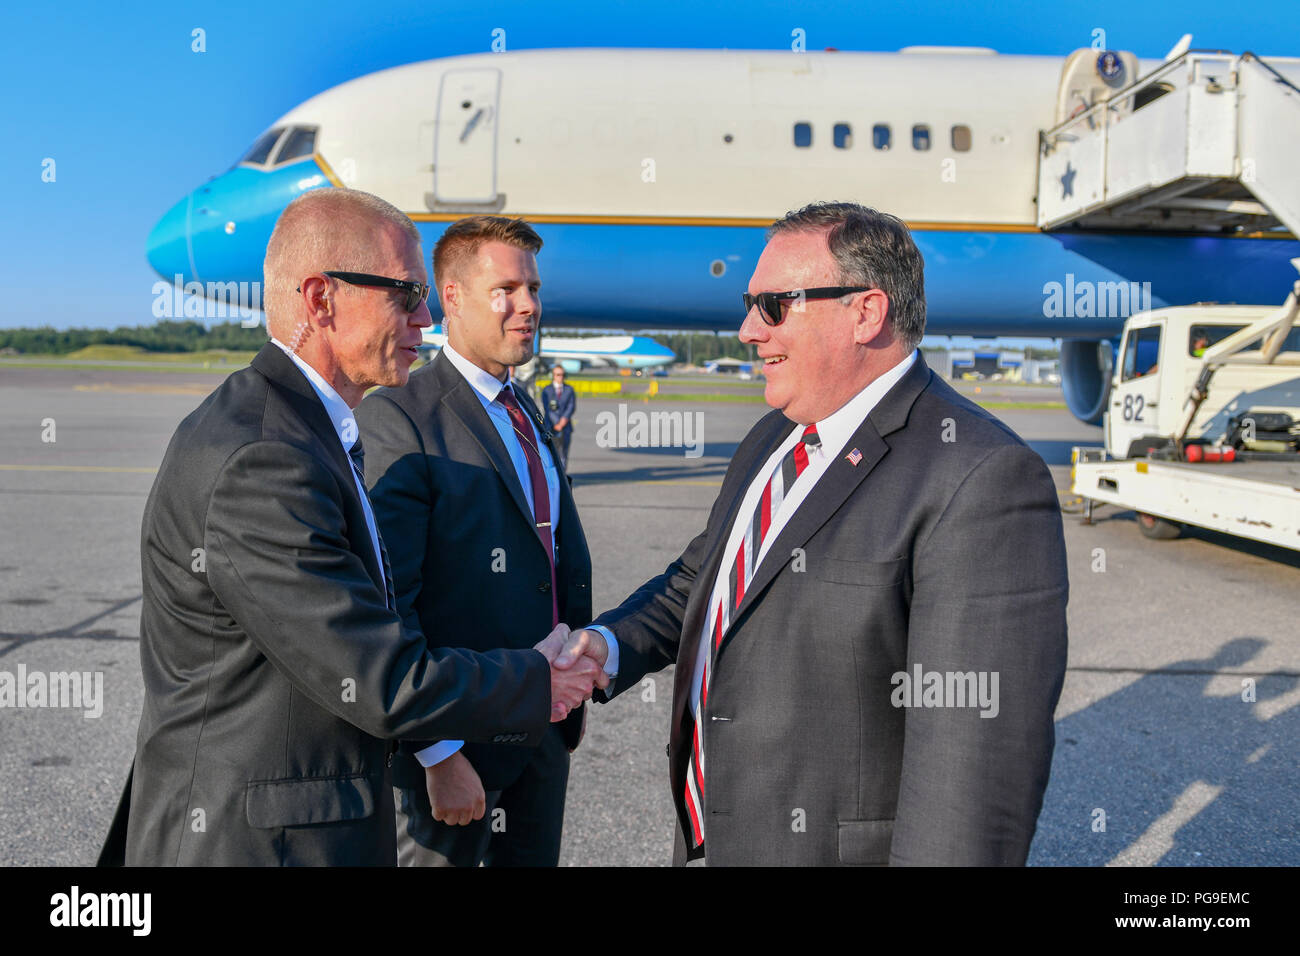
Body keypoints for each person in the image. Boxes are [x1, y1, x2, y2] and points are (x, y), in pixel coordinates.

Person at [97, 190, 603, 867]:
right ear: (320, 300)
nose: (425, 319)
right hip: (253, 844)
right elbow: (378, 674)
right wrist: (534, 679)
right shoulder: (263, 457)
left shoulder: (311, 432)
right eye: (405, 296)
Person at [555, 201, 1069, 865]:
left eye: (774, 305)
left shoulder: (981, 477)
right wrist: (606, 647)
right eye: (750, 304)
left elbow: (969, 781)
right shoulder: (777, 433)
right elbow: (706, 582)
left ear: (866, 312)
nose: (746, 329)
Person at [356, 215, 602, 866]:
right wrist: (436, 754)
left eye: (534, 289)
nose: (529, 307)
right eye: (507, 290)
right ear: (453, 299)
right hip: (457, 750)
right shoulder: (402, 414)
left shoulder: (525, 410)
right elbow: (389, 603)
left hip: (544, 736)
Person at [540, 365, 577, 466]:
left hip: (565, 427)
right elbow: (548, 409)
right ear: (553, 376)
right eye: (558, 374)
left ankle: (563, 477)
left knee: (564, 454)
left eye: (563, 375)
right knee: (551, 454)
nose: (560, 377)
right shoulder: (546, 390)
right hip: (551, 427)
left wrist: (563, 422)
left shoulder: (569, 390)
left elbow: (571, 407)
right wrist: (557, 423)